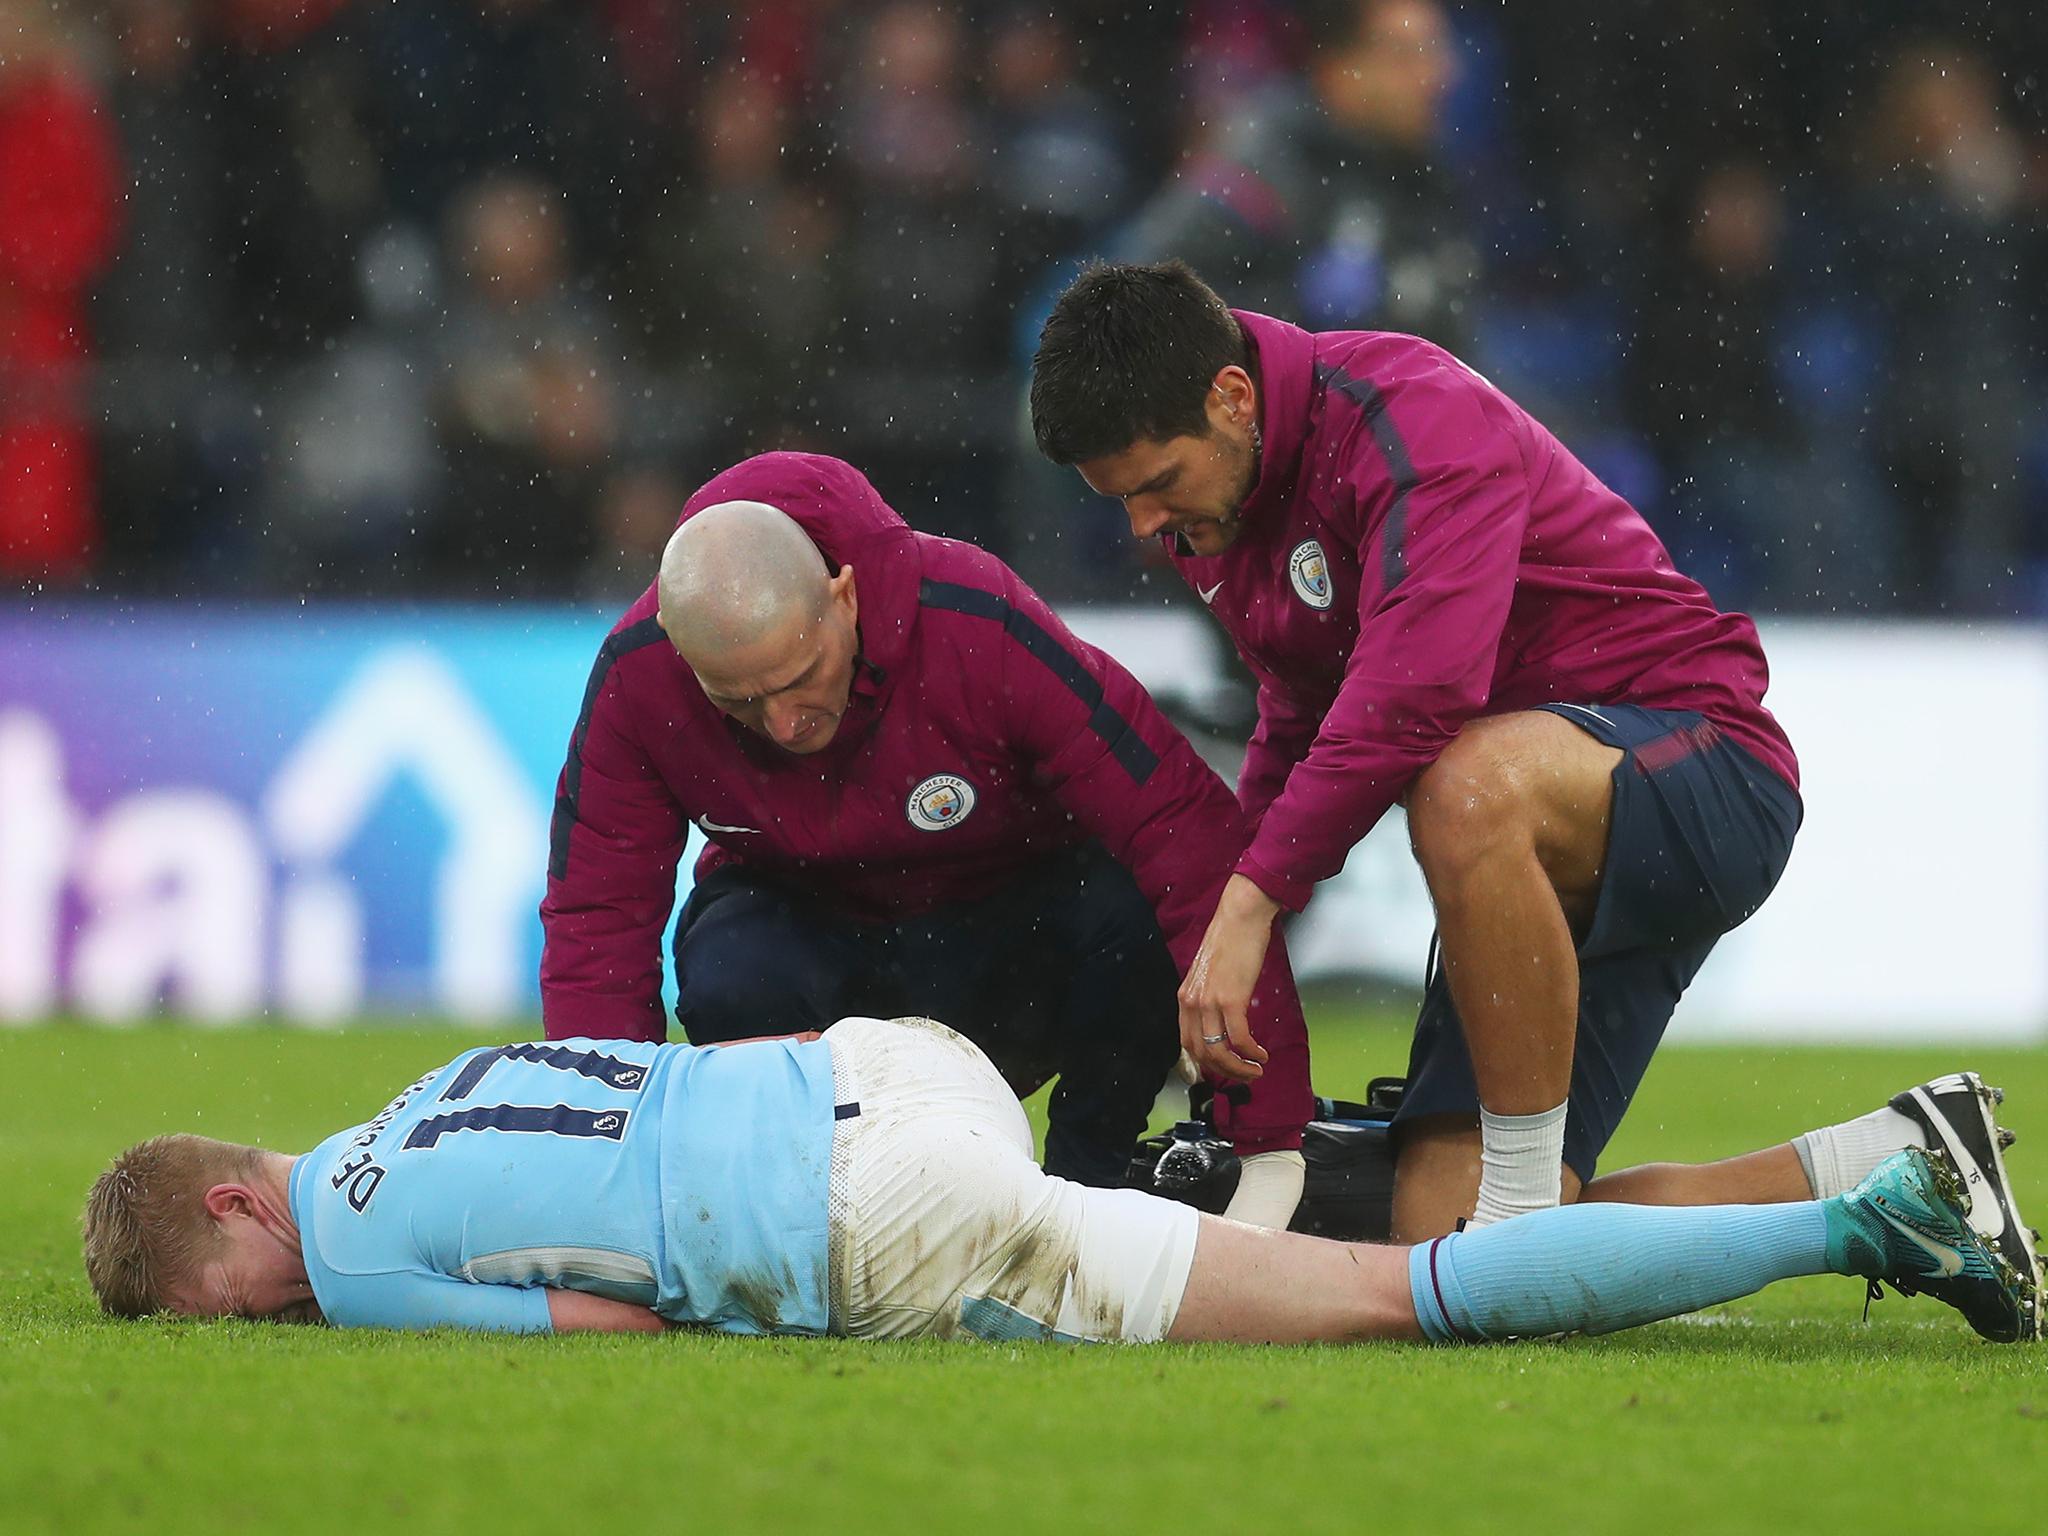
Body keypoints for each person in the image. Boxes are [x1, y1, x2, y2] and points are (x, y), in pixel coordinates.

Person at [1028, 258, 1807, 1241]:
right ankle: (1878, 1180)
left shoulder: (1411, 413)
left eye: (1156, 484)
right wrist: (1234, 915)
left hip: (1700, 766)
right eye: (1120, 502)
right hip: (1537, 853)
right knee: (1434, 1231)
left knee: (1460, 782)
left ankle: (1515, 1213)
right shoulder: (1223, 508)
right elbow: (1296, 712)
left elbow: (1417, 694)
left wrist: (1252, 900)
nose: (1144, 525)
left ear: (1230, 398)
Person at [79, 1017, 2037, 1345]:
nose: (260, 1325)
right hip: (891, 1075)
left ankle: (1873, 1216)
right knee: (1321, 1229)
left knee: (1402, 1293)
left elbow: (592, 1322)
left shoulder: (342, 1251)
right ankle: (1880, 1148)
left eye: (215, 1307)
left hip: (886, 1224)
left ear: (239, 1214)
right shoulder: (430, 1084)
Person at [540, 452, 1314, 1222]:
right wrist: (607, 1169)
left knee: (1129, 910)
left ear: (843, 597)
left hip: (1015, 946)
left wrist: (1269, 1138)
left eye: (800, 675)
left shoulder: (976, 620)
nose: (785, 724)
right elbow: (596, 922)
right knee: (724, 959)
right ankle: (799, 1215)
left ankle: (1087, 1200)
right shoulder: (637, 677)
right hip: (814, 958)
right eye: (739, 701)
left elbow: (1175, 824)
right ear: (679, 649)